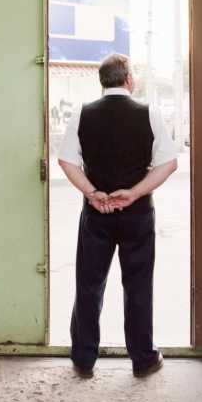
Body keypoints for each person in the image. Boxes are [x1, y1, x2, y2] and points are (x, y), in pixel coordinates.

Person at [57, 53, 178, 378]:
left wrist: (92, 193)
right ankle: (143, 360)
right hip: (137, 214)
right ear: (129, 80)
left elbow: (66, 160)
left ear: (102, 82)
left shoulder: (82, 114)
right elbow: (169, 163)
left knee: (89, 284)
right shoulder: (149, 113)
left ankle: (84, 360)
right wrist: (135, 192)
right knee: (138, 286)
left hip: (96, 215)